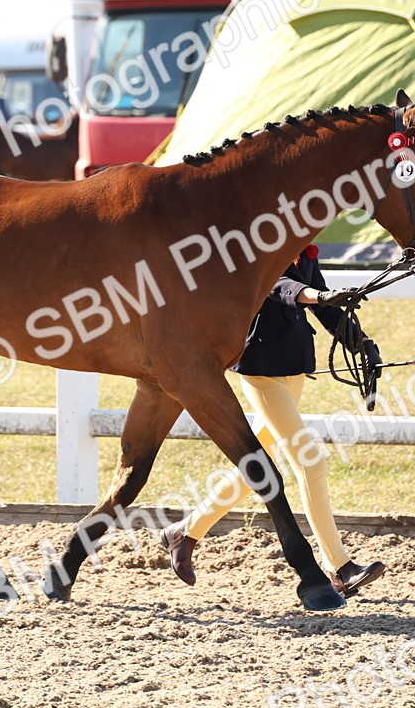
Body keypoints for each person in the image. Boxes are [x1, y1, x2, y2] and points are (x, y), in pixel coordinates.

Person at [159, 243, 386, 599]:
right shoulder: (259, 247)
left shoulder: (305, 252)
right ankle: (340, 567)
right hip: (262, 370)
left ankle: (185, 533)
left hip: (293, 368)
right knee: (311, 462)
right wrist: (318, 295)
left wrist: (361, 344)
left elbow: (326, 311)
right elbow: (281, 287)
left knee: (254, 468)